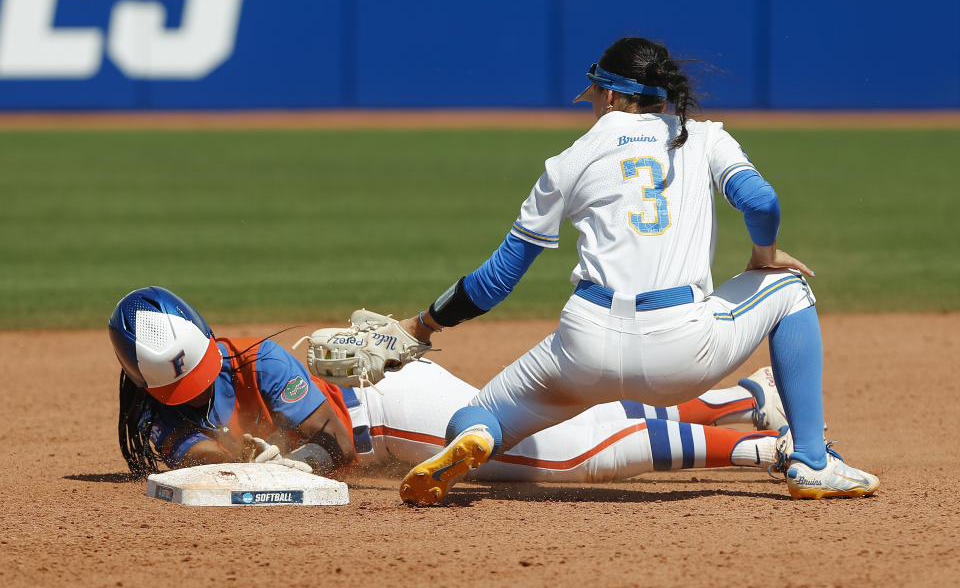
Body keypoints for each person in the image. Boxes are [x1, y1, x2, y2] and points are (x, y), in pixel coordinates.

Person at [395, 37, 879, 502]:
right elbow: (760, 200)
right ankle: (812, 464)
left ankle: (478, 435)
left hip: (582, 347)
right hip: (681, 352)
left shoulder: (568, 161)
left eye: (592, 97)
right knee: (789, 287)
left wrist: (424, 324)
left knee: (475, 413)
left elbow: (498, 279)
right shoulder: (704, 138)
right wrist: (763, 254)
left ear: (608, 94)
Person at [110, 286, 793, 483]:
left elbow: (340, 448)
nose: (195, 391)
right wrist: (228, 458)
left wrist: (283, 460)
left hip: (393, 407)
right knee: (569, 432)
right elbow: (192, 457)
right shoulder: (155, 421)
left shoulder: (260, 362)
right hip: (389, 417)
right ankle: (748, 400)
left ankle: (751, 450)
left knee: (572, 454)